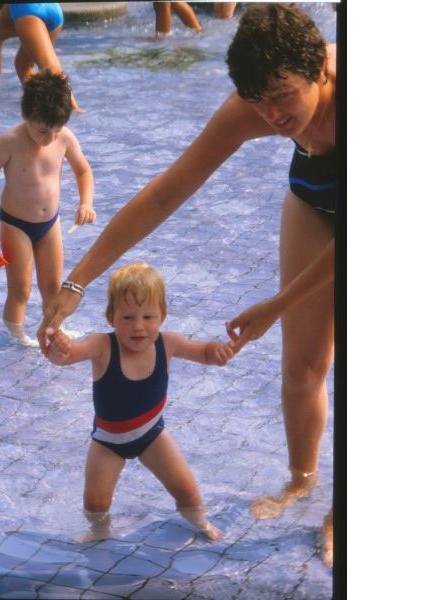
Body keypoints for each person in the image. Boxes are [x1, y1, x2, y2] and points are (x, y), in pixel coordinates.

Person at [37, 4, 337, 566]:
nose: (272, 114)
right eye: (260, 100)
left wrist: (276, 304)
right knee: (303, 364)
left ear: (320, 68)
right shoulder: (254, 105)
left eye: (283, 96)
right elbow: (164, 194)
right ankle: (303, 481)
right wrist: (76, 282)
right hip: (314, 195)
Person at [46, 263, 233, 542]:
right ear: (111, 317)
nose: (138, 326)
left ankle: (199, 521)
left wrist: (217, 351)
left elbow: (202, 351)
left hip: (152, 436)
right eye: (127, 317)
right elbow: (68, 356)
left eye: (148, 317)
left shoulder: (168, 343)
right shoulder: (102, 346)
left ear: (162, 316)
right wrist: (59, 348)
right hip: (108, 443)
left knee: (186, 490)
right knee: (95, 504)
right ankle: (99, 532)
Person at [0, 70, 95, 346]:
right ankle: (16, 338)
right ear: (25, 115)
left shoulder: (65, 138)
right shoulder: (9, 142)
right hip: (16, 224)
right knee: (20, 288)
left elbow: (83, 171)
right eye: (43, 131)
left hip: (50, 224)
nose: (50, 138)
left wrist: (86, 202)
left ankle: (53, 330)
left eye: (56, 130)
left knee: (53, 286)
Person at [0, 3, 82, 111]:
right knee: (22, 64)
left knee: (49, 68)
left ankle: (76, 110)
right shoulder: (9, 15)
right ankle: (37, 101)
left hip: (28, 9)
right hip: (54, 9)